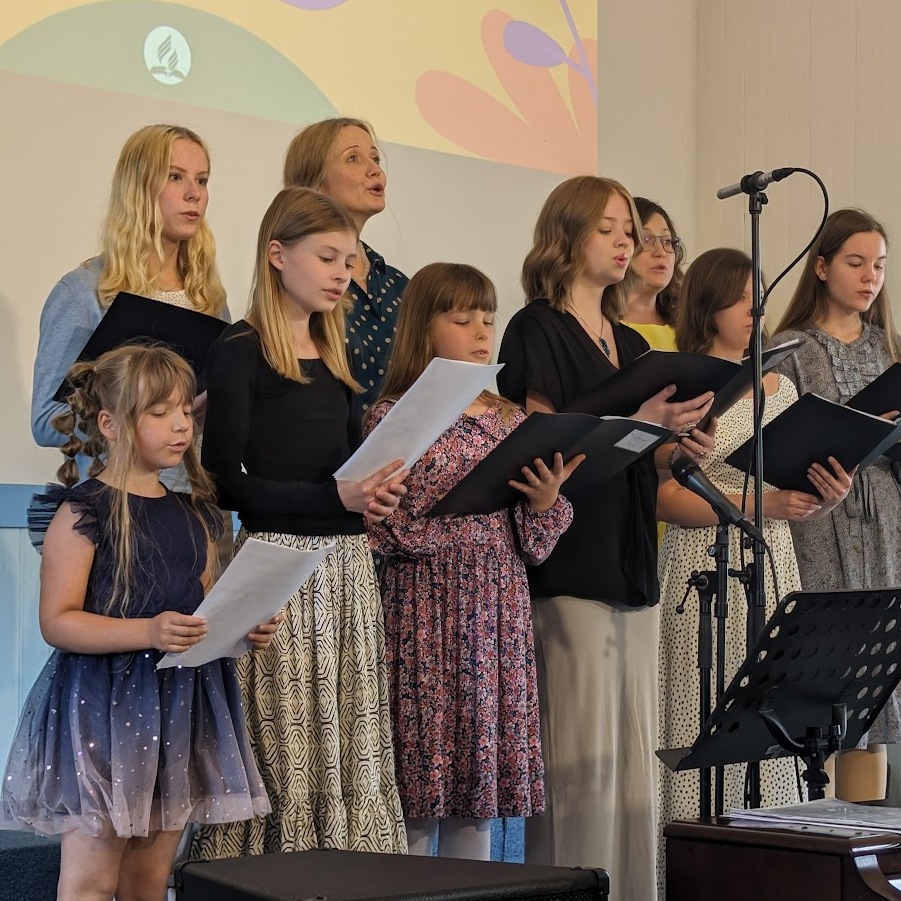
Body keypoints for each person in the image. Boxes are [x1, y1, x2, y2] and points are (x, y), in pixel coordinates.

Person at [498, 174, 714, 901]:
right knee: (579, 771)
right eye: (609, 228)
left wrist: (676, 445)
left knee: (632, 774)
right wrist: (641, 423)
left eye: (632, 230)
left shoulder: (630, 341)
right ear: (567, 235)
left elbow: (637, 453)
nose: (627, 242)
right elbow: (544, 449)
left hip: (631, 556)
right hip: (568, 560)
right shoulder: (535, 328)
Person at [1, 344, 275, 901]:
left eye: (185, 411)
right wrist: (147, 631)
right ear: (110, 424)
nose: (181, 425)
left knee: (147, 881)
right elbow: (58, 621)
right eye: (159, 412)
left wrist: (240, 630)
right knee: (92, 879)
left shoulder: (196, 515)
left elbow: (202, 612)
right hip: (101, 709)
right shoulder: (83, 512)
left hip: (178, 705)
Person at [191, 187, 408, 857]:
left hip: (347, 568)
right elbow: (224, 478)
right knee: (286, 743)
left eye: (349, 260)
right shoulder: (240, 347)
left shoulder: (336, 354)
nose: (343, 273)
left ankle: (349, 866)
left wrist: (373, 495)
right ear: (277, 254)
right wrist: (336, 500)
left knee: (348, 739)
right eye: (327, 257)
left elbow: (342, 472)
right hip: (279, 564)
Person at [656, 248, 851, 894]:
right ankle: (697, 870)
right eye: (742, 298)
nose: (755, 311)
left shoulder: (781, 386)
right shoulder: (686, 386)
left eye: (760, 297)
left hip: (772, 560)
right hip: (703, 561)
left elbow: (795, 491)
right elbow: (663, 497)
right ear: (707, 303)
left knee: (772, 716)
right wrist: (761, 504)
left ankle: (774, 869)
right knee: (704, 713)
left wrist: (827, 492)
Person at [367, 262, 578, 860]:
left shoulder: (510, 418)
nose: (483, 331)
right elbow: (380, 526)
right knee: (420, 788)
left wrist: (544, 501)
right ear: (423, 327)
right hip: (426, 610)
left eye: (488, 318)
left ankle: (470, 891)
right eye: (463, 320)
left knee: (476, 793)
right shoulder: (394, 414)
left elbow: (534, 542)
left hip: (496, 612)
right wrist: (456, 524)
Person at [771, 208, 901, 801]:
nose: (871, 276)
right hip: (817, 526)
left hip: (886, 528)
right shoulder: (789, 349)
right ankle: (816, 832)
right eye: (856, 263)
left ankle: (865, 836)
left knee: (874, 706)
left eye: (880, 265)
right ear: (821, 267)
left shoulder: (895, 347)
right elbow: (777, 449)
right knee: (820, 692)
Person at [31, 124, 230, 484]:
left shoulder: (208, 296)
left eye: (202, 180)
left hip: (195, 498)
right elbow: (47, 420)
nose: (194, 194)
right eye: (175, 177)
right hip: (117, 501)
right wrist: (139, 417)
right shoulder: (84, 292)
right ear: (137, 187)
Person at [284, 117, 409, 411]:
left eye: (375, 158)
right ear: (316, 184)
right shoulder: (295, 282)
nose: (375, 170)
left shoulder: (399, 284)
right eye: (353, 158)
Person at [621, 197, 685, 352]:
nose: (661, 252)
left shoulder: (686, 327)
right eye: (646, 239)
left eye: (667, 241)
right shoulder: (599, 326)